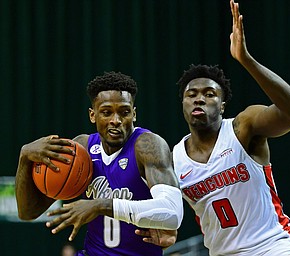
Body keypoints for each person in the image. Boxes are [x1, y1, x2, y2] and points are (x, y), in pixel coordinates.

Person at [138, 0, 290, 255]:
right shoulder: (174, 160)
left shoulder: (243, 127)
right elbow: (169, 214)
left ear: (222, 106)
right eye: (191, 94)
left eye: (209, 94)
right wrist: (167, 231)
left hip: (274, 246)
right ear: (183, 104)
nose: (199, 98)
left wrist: (246, 60)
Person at [15, 71, 183, 256]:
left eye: (124, 112)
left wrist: (99, 205)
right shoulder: (81, 148)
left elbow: (173, 214)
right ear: (92, 115)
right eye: (106, 112)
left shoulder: (147, 145)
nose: (116, 120)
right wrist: (25, 158)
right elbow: (27, 212)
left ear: (134, 114)